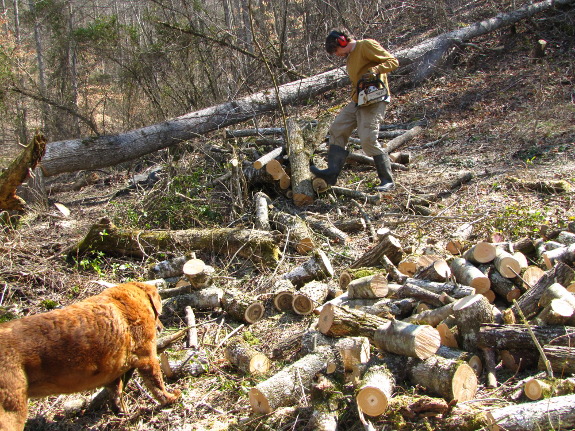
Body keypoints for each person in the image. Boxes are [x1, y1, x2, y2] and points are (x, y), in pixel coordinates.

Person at [311, 30, 399, 191]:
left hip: (375, 100)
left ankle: (387, 180)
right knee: (337, 128)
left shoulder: (366, 45)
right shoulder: (350, 57)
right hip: (358, 100)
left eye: (336, 51)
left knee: (367, 139)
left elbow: (393, 61)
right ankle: (331, 173)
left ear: (342, 42)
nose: (337, 55)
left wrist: (375, 70)